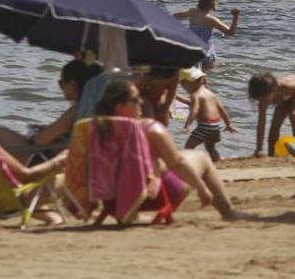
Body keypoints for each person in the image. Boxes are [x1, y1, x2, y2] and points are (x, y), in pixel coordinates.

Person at [95, 79, 243, 219]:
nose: (141, 101)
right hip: (152, 198)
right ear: (119, 107)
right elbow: (177, 163)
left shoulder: (93, 129)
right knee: (200, 157)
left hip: (112, 201)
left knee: (173, 159)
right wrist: (202, 189)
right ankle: (228, 212)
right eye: (135, 99)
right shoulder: (149, 129)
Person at [0, 58, 104, 162]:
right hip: (68, 159)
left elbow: (40, 141)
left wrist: (37, 135)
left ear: (72, 84)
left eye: (61, 83)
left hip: (45, 162)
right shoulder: (97, 109)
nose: (61, 88)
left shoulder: (75, 111)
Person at [173, 0, 239, 70]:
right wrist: (236, 17)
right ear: (212, 2)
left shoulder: (192, 12)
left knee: (193, 78)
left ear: (199, 0)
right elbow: (231, 32)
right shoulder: (210, 19)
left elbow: (173, 16)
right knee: (206, 79)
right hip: (205, 52)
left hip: (192, 51)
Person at [180, 67, 236, 161]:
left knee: (189, 146)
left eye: (184, 85)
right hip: (216, 125)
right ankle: (217, 162)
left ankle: (191, 164)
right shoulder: (210, 94)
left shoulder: (195, 95)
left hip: (205, 126)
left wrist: (187, 124)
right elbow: (222, 110)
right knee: (210, 148)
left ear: (191, 83)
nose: (184, 88)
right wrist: (228, 124)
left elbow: (194, 110)